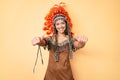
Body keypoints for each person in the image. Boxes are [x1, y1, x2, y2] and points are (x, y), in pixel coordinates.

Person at [32, 2, 88, 80]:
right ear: (54, 26)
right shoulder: (50, 39)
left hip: (66, 74)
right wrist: (38, 41)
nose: (60, 26)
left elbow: (78, 45)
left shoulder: (69, 39)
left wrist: (82, 42)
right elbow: (43, 42)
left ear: (66, 24)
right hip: (50, 74)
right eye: (57, 24)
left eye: (62, 23)